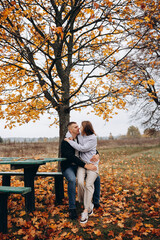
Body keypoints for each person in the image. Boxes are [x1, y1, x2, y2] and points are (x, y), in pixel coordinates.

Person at [60, 122, 100, 220]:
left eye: (78, 126)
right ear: (70, 130)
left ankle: (95, 202)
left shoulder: (80, 137)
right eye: (75, 127)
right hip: (69, 166)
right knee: (73, 180)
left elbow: (90, 148)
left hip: (79, 166)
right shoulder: (65, 142)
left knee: (97, 178)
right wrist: (85, 165)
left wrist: (97, 154)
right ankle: (72, 208)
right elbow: (71, 157)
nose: (78, 128)